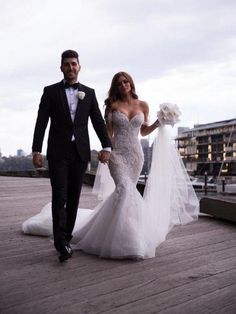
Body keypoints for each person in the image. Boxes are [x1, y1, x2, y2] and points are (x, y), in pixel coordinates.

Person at [23, 71, 199, 260]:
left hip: (136, 156)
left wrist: (160, 122)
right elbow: (107, 132)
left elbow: (144, 131)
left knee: (128, 193)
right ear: (116, 87)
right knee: (124, 189)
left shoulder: (143, 105)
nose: (124, 85)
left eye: (126, 81)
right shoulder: (112, 106)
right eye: (120, 83)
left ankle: (132, 237)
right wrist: (106, 149)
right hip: (117, 155)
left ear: (131, 83)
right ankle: (130, 243)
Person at [31, 49, 112, 262]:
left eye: (74, 64)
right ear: (61, 67)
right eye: (66, 64)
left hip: (80, 153)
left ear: (79, 66)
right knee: (60, 197)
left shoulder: (90, 93)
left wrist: (107, 146)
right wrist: (36, 150)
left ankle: (66, 238)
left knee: (74, 198)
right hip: (58, 152)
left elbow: (97, 121)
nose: (70, 67)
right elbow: (41, 122)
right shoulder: (50, 92)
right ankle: (61, 244)